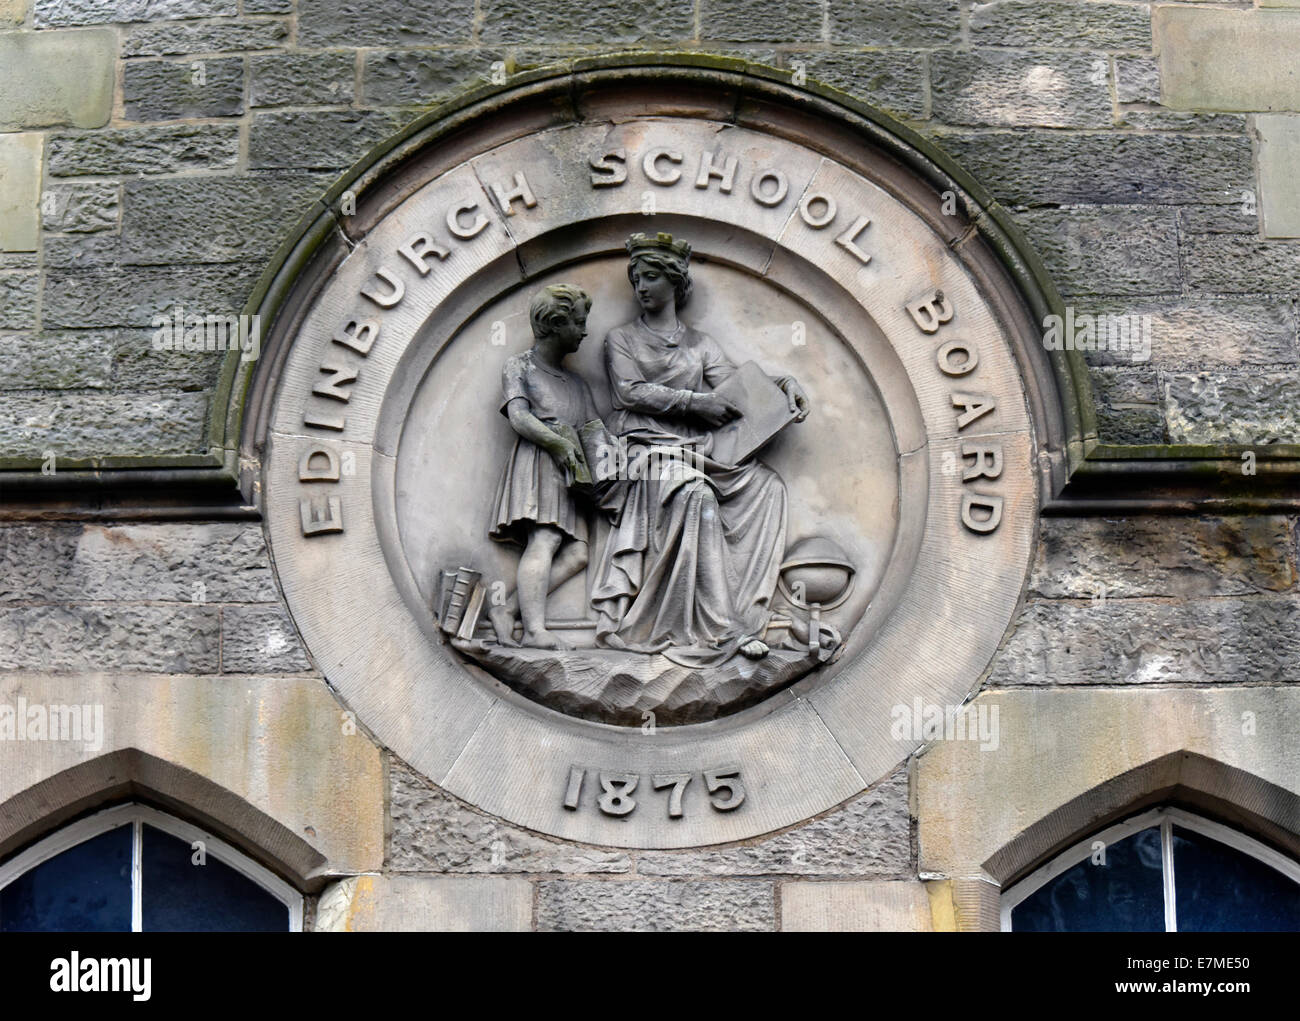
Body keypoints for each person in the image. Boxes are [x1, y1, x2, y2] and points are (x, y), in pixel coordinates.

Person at [590, 232, 810, 666]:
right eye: (636, 279)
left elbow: (735, 386)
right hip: (644, 451)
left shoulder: (700, 344)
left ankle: (746, 611)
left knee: (768, 486)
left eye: (651, 277)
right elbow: (631, 393)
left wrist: (784, 384)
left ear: (675, 282)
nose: (642, 287)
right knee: (696, 494)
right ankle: (720, 627)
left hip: (695, 449)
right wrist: (697, 403)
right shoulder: (621, 340)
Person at [487, 283, 605, 650]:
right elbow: (519, 417)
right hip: (541, 461)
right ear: (555, 323)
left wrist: (617, 454)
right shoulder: (520, 366)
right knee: (545, 539)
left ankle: (508, 609)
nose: (584, 331)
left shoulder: (576, 382)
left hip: (572, 472)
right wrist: (556, 443)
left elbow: (594, 428)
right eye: (578, 322)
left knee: (577, 554)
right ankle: (536, 630)